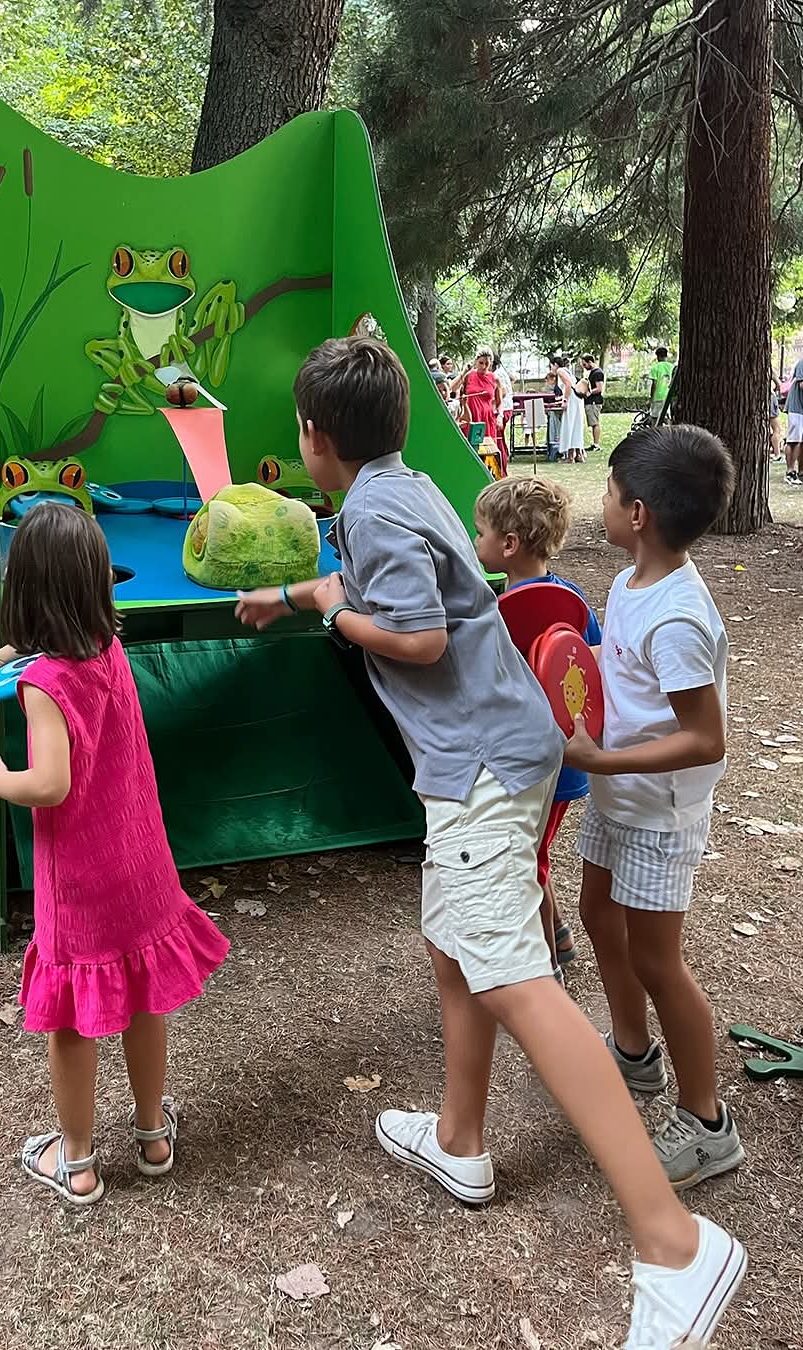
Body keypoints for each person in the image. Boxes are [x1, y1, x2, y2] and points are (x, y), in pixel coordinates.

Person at [235, 338, 745, 1350]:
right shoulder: (403, 482)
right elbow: (402, 590)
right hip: (493, 748)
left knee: (516, 979)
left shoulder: (370, 509)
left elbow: (418, 636)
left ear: (314, 438)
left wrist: (332, 611)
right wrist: (300, 593)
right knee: (453, 940)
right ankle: (460, 1139)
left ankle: (674, 1240)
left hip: (479, 764)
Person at [0, 504, 228, 1206]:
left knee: (70, 1019)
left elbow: (50, 783)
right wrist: (1, 658)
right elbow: (44, 654)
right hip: (140, 861)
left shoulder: (43, 686)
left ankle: (78, 1161)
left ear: (23, 591)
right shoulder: (106, 648)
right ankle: (152, 1134)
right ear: (95, 584)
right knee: (144, 997)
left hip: (80, 877)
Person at [566, 425, 744, 1197]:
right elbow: (623, 678)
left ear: (636, 513)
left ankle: (707, 1124)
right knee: (596, 912)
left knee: (657, 961)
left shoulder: (678, 618)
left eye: (608, 492)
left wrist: (600, 761)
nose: (601, 502)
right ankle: (634, 1054)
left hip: (659, 810)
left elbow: (705, 737)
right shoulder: (631, 581)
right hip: (621, 793)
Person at [473, 476, 601, 977]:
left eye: (480, 531)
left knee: (527, 862)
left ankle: (547, 972)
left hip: (541, 766)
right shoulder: (571, 597)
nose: (475, 539)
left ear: (509, 545)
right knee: (534, 851)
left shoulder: (507, 614)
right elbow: (594, 663)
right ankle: (560, 936)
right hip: (561, 758)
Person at [455, 347, 501, 453]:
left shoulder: (495, 378)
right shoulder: (469, 376)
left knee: (487, 451)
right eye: (481, 363)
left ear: (490, 364)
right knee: (469, 449)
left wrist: (500, 416)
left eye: (487, 364)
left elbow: (499, 402)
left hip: (487, 418)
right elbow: (459, 393)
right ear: (476, 361)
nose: (484, 366)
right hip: (471, 416)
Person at [549, 354, 585, 463]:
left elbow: (568, 385)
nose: (551, 369)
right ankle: (578, 454)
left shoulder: (560, 371)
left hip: (572, 400)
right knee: (576, 425)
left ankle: (570, 456)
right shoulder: (567, 371)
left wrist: (565, 400)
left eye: (551, 366)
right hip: (576, 399)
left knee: (569, 424)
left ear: (555, 365)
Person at [784, 354, 803, 485]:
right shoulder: (802, 363)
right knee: (794, 440)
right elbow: (802, 385)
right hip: (796, 407)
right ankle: (790, 471)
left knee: (801, 441)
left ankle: (801, 471)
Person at [493, 355, 514, 472]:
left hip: (502, 410)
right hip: (506, 408)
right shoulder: (501, 371)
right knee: (500, 439)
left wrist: (490, 402)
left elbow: (503, 392)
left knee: (498, 439)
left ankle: (502, 470)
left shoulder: (497, 374)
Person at [581, 354, 606, 449]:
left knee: (595, 423)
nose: (584, 367)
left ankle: (596, 444)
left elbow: (599, 388)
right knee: (593, 423)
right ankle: (594, 443)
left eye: (585, 364)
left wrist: (589, 392)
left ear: (590, 362)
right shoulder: (592, 372)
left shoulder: (598, 373)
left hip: (594, 402)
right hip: (591, 401)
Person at [649, 347, 673, 422]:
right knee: (667, 418)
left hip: (658, 396)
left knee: (655, 419)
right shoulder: (672, 367)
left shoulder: (655, 368)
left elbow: (654, 384)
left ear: (658, 356)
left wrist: (651, 397)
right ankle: (668, 429)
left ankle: (655, 430)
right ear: (666, 355)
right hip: (669, 396)